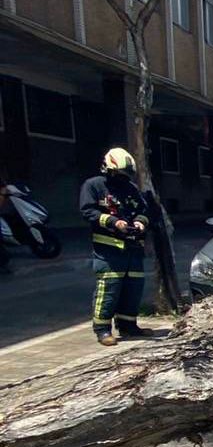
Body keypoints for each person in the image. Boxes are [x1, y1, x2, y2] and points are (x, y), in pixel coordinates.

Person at [79, 148, 152, 346]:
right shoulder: (94, 186)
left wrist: (140, 223)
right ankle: (102, 330)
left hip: (133, 249)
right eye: (119, 174)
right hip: (108, 252)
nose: (123, 178)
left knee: (133, 289)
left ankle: (128, 326)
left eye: (127, 175)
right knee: (109, 290)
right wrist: (113, 221)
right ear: (108, 169)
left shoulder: (131, 189)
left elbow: (143, 210)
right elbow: (88, 211)